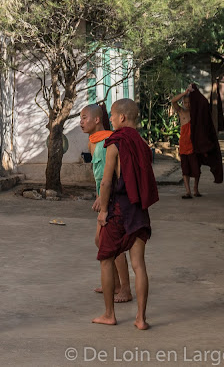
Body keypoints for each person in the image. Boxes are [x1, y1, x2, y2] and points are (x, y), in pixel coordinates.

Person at [93, 99, 158, 330]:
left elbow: (107, 182)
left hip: (120, 210)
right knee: (139, 265)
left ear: (122, 117)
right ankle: (141, 319)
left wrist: (103, 211)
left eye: (112, 115)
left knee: (106, 259)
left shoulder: (115, 144)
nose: (110, 119)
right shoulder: (142, 144)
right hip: (139, 211)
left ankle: (109, 314)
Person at [80, 104, 132, 303]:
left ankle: (124, 288)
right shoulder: (93, 142)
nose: (81, 122)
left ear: (96, 120)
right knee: (101, 241)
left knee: (111, 243)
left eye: (85, 118)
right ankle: (115, 284)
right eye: (80, 118)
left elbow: (107, 175)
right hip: (104, 196)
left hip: (112, 197)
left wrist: (103, 198)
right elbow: (98, 174)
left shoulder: (107, 141)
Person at [171, 86, 201, 198]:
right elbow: (173, 101)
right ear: (183, 102)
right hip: (183, 145)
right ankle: (188, 191)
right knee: (185, 170)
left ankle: (195, 189)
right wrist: (185, 93)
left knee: (196, 170)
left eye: (189, 102)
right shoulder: (181, 112)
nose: (187, 104)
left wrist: (194, 93)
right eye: (185, 102)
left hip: (194, 145)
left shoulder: (195, 113)